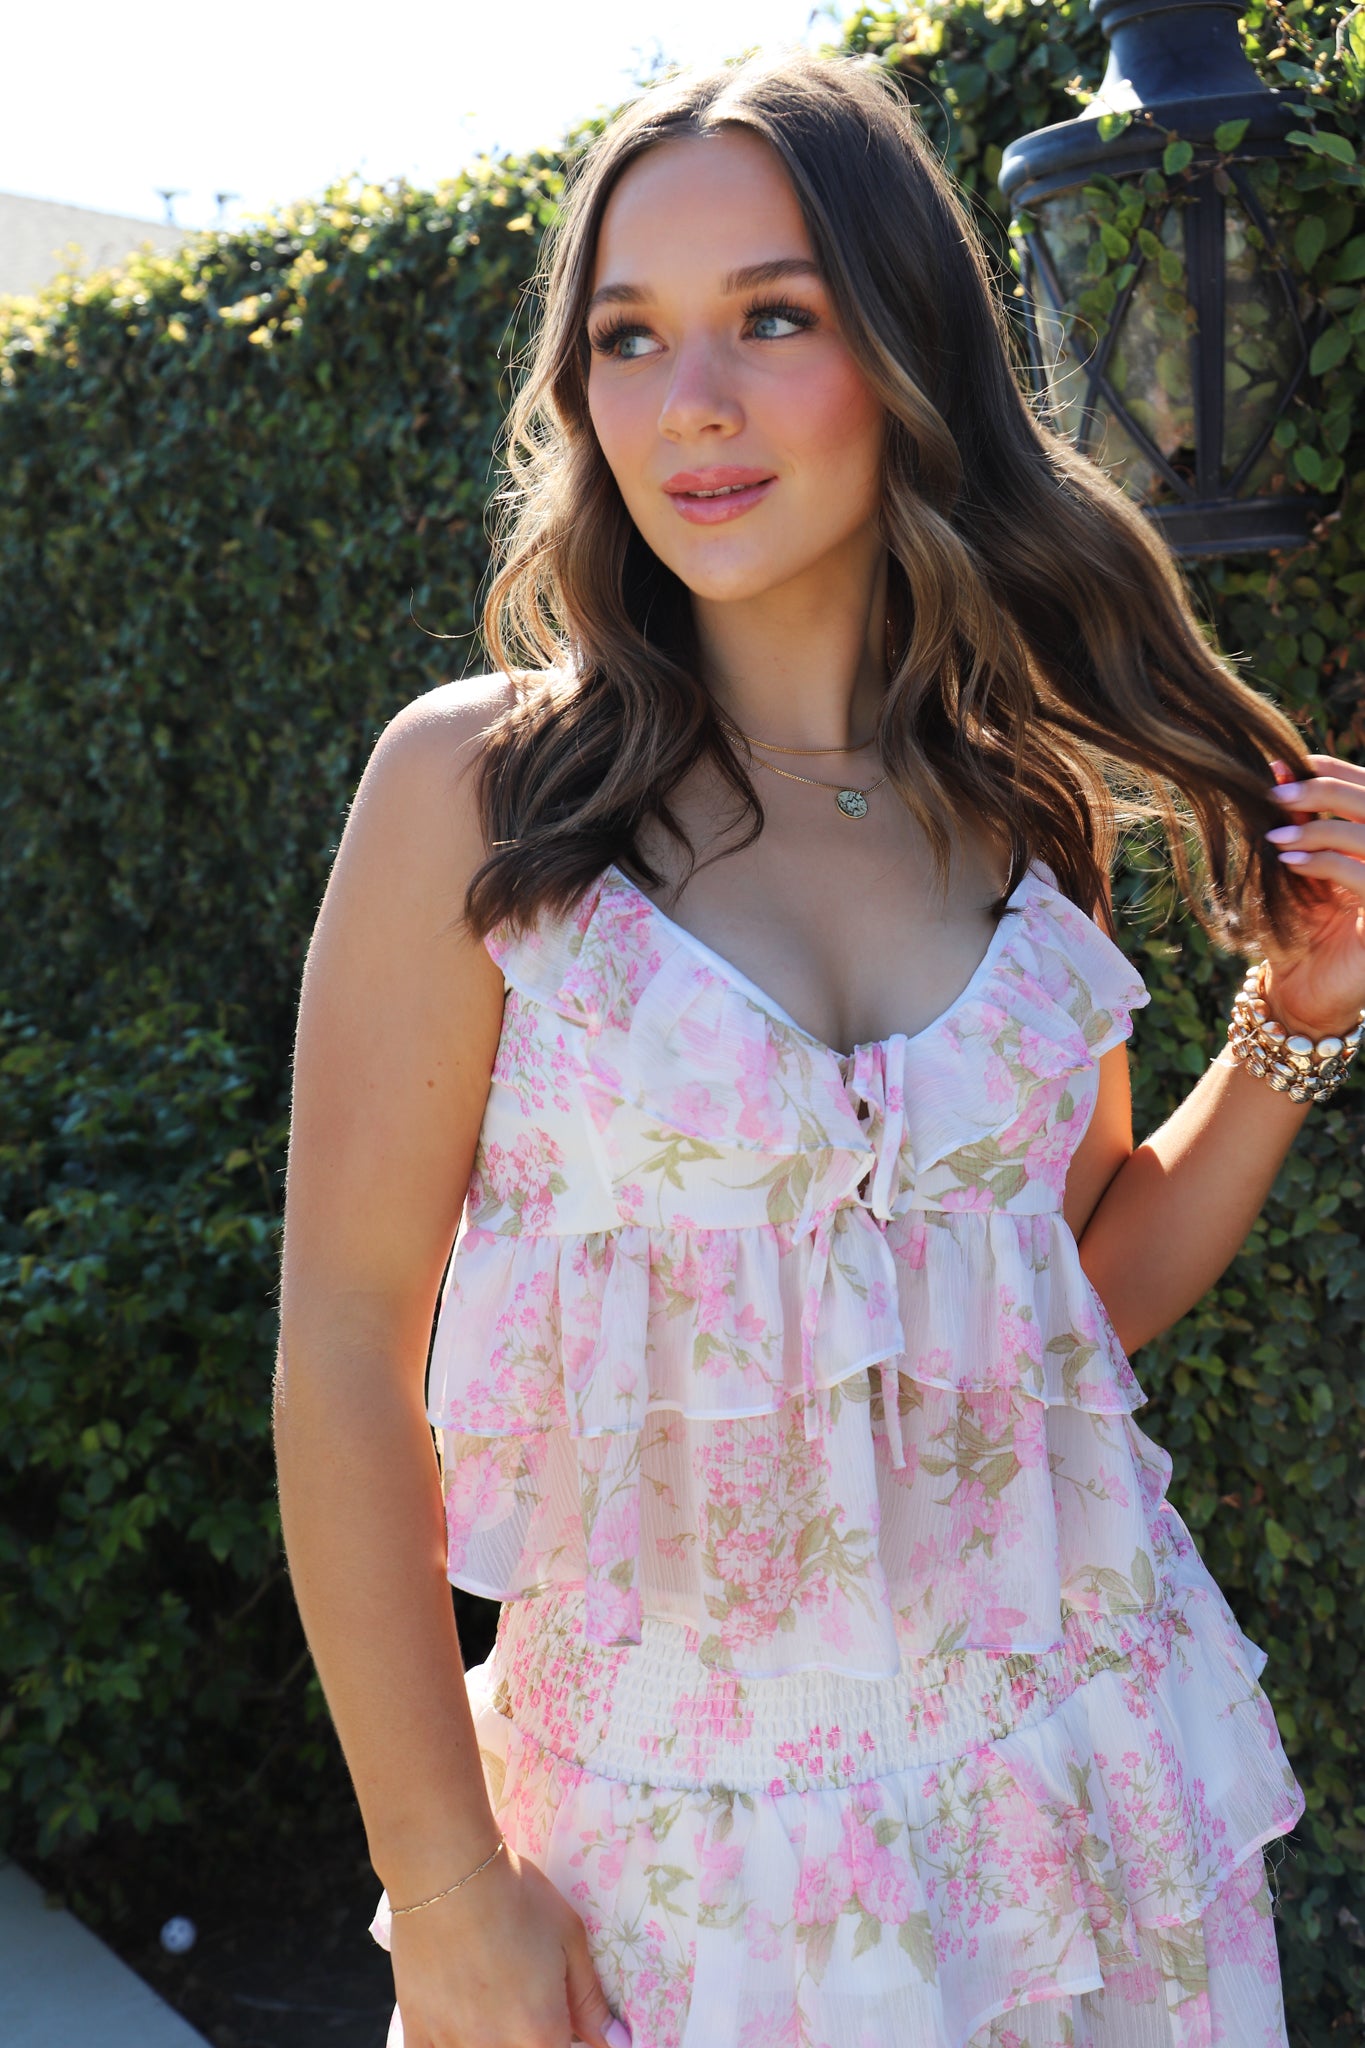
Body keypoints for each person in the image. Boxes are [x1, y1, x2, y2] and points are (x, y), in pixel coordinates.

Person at [272, 49, 1365, 2048]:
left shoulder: (1015, 808)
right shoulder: (481, 792)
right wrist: (443, 1883)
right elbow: (344, 1346)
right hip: (673, 1880)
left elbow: (1067, 1292)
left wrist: (1296, 1023)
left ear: (903, 350)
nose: (688, 401)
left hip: (1066, 1810)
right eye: (627, 336)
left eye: (770, 317)